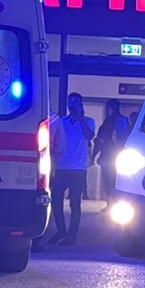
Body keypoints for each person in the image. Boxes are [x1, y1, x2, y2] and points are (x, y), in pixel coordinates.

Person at [49, 92, 95, 246]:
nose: (72, 105)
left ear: (81, 104)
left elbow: (89, 136)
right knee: (55, 201)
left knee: (75, 204)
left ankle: (71, 237)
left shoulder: (89, 121)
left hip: (78, 169)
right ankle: (61, 231)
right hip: (62, 168)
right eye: (70, 102)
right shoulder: (62, 122)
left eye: (76, 102)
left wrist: (81, 118)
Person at [92, 98, 130, 201]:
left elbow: (100, 140)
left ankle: (109, 203)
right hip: (121, 156)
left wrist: (93, 156)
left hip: (108, 156)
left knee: (108, 181)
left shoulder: (108, 121)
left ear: (109, 108)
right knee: (118, 182)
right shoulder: (125, 121)